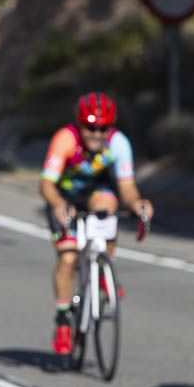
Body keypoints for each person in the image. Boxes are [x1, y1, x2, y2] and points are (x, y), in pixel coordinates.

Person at [39, 92, 153, 364]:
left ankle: (106, 263)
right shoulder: (65, 139)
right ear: (80, 125)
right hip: (63, 197)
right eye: (91, 127)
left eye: (103, 128)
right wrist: (57, 204)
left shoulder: (118, 143)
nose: (97, 134)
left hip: (95, 193)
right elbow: (46, 185)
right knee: (67, 258)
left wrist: (137, 204)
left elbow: (126, 186)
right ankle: (64, 319)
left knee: (108, 205)